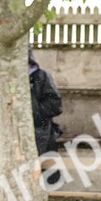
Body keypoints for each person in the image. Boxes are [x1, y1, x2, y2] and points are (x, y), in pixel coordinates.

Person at [29, 50, 63, 185]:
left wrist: (34, 112)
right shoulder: (3, 77)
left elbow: (55, 104)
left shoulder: (41, 76)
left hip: (40, 127)